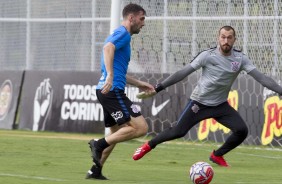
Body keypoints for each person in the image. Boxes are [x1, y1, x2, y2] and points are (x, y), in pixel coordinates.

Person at [132, 25, 282, 167]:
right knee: (179, 131)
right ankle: (148, 146)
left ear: (234, 40)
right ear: (218, 38)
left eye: (229, 38)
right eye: (223, 37)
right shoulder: (207, 56)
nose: (226, 41)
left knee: (242, 130)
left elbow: (262, 78)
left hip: (220, 105)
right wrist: (158, 88)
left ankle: (217, 155)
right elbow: (182, 73)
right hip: (199, 103)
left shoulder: (240, 59)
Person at [85, 3, 154, 180]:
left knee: (115, 134)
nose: (143, 23)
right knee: (140, 128)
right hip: (112, 91)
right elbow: (107, 48)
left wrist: (137, 82)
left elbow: (117, 70)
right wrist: (109, 76)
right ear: (131, 18)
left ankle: (95, 170)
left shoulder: (121, 35)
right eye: (142, 18)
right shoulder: (123, 33)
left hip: (105, 90)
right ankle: (98, 144)